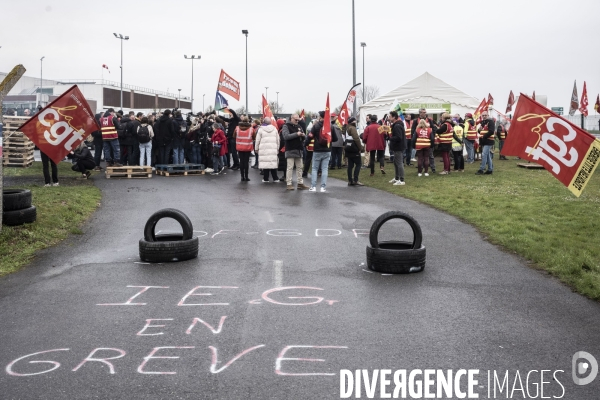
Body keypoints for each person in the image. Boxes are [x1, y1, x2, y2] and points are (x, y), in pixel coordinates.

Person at [308, 111, 338, 192]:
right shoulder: (331, 126)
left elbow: (310, 136)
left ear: (320, 117)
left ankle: (313, 186)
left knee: (314, 169)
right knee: (324, 169)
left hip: (317, 150)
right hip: (327, 149)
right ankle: (323, 187)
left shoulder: (316, 126)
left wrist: (305, 144)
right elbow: (335, 139)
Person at [281, 113, 310, 190]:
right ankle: (289, 183)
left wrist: (303, 136)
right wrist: (296, 134)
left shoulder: (299, 126)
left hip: (299, 149)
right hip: (290, 149)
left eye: (298, 119)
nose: (297, 121)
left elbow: (305, 137)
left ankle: (300, 183)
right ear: (291, 118)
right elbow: (286, 136)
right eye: (296, 119)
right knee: (290, 167)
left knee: (300, 167)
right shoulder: (285, 126)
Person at [255, 117, 281, 182]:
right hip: (273, 148)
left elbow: (257, 140)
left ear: (264, 122)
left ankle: (266, 178)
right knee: (272, 163)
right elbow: (278, 140)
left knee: (265, 163)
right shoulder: (274, 129)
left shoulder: (261, 129)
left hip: (264, 149)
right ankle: (275, 178)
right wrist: (277, 148)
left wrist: (256, 148)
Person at [411, 109, 437, 173]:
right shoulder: (416, 120)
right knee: (421, 157)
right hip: (420, 142)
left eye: (425, 112)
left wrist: (432, 138)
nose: (424, 113)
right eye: (423, 112)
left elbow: (433, 129)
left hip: (428, 141)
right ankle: (421, 168)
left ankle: (433, 167)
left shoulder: (429, 120)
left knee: (430, 156)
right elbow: (413, 130)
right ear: (420, 113)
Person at [344, 117, 365, 186]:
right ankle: (355, 180)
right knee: (358, 164)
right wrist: (361, 148)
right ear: (353, 122)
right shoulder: (352, 128)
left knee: (350, 165)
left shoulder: (346, 127)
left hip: (348, 147)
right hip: (354, 149)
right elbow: (356, 139)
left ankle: (350, 180)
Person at [388, 111, 406, 185]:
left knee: (399, 163)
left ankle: (401, 180)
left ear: (394, 117)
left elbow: (399, 137)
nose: (389, 118)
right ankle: (396, 178)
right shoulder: (396, 125)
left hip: (398, 147)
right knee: (396, 163)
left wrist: (390, 138)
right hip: (396, 147)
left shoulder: (397, 126)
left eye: (390, 116)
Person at [234, 116, 255, 181]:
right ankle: (246, 176)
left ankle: (242, 176)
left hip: (240, 147)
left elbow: (234, 136)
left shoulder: (237, 128)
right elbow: (254, 137)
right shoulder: (251, 129)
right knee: (246, 162)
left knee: (241, 162)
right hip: (247, 147)